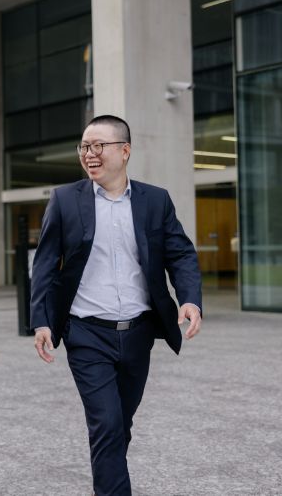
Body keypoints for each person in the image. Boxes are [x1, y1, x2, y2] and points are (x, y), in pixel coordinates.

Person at [30, 115, 202, 496]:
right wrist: (41, 320)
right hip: (87, 333)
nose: (89, 154)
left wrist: (189, 299)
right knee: (106, 424)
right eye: (84, 147)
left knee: (120, 425)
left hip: (138, 333)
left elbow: (181, 254)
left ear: (124, 151)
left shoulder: (154, 200)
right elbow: (44, 265)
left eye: (98, 146)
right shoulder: (64, 201)